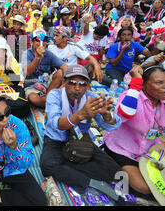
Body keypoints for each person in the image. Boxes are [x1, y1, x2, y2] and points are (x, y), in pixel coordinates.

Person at [103, 65, 165, 195]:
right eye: (159, 82)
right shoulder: (131, 96)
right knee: (143, 187)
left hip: (151, 149)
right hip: (123, 150)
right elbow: (125, 112)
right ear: (144, 85)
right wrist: (136, 83)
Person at [40, 65, 123, 200]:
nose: (77, 88)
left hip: (80, 140)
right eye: (72, 82)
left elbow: (110, 125)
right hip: (56, 139)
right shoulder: (54, 95)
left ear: (88, 85)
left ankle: (70, 164)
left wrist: (107, 115)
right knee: (47, 166)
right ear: (64, 82)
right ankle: (90, 182)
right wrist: (80, 115)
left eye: (83, 84)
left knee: (115, 171)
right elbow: (55, 124)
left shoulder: (91, 97)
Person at [21, 29, 67, 109]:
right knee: (33, 99)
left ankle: (47, 98)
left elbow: (63, 66)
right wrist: (37, 57)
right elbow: (27, 72)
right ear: (32, 42)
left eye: (44, 40)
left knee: (60, 73)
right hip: (31, 84)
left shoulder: (48, 53)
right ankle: (51, 101)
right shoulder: (26, 54)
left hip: (46, 83)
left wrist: (67, 80)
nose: (41, 43)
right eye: (37, 40)